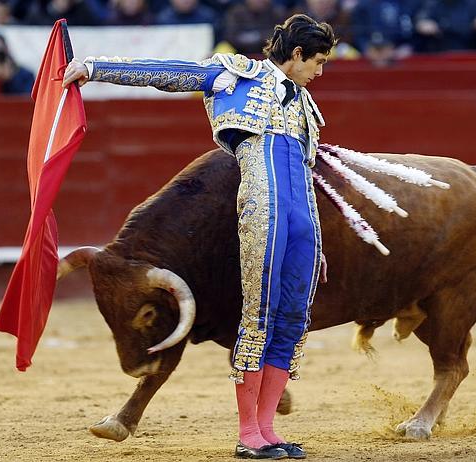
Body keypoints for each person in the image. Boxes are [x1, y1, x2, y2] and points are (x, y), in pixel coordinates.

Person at [62, 13, 334, 460]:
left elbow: (306, 174)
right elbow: (168, 73)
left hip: (303, 218)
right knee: (260, 317)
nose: (319, 73)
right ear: (298, 54)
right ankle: (249, 434)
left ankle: (268, 431)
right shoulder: (238, 75)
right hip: (263, 209)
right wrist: (94, 69)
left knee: (292, 321)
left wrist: (317, 238)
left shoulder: (304, 104)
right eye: (318, 62)